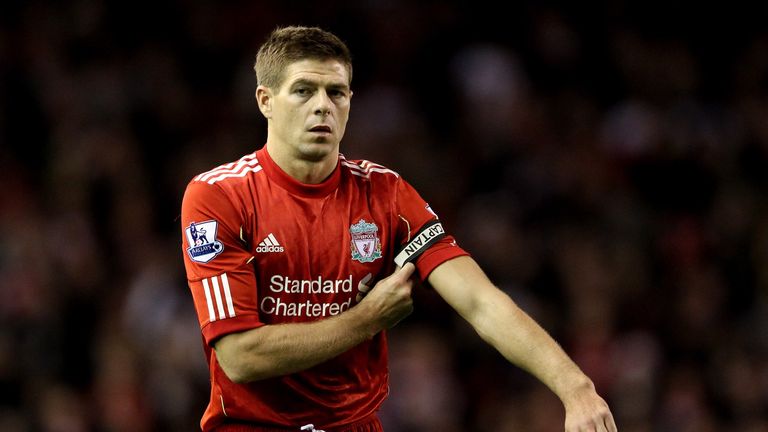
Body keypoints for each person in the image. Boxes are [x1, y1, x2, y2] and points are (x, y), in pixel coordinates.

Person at [180, 25, 618, 432]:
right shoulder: (220, 196)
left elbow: (481, 302)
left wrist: (575, 387)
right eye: (303, 91)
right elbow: (240, 356)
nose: (322, 106)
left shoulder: (385, 194)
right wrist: (368, 318)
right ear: (265, 100)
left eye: (336, 92)